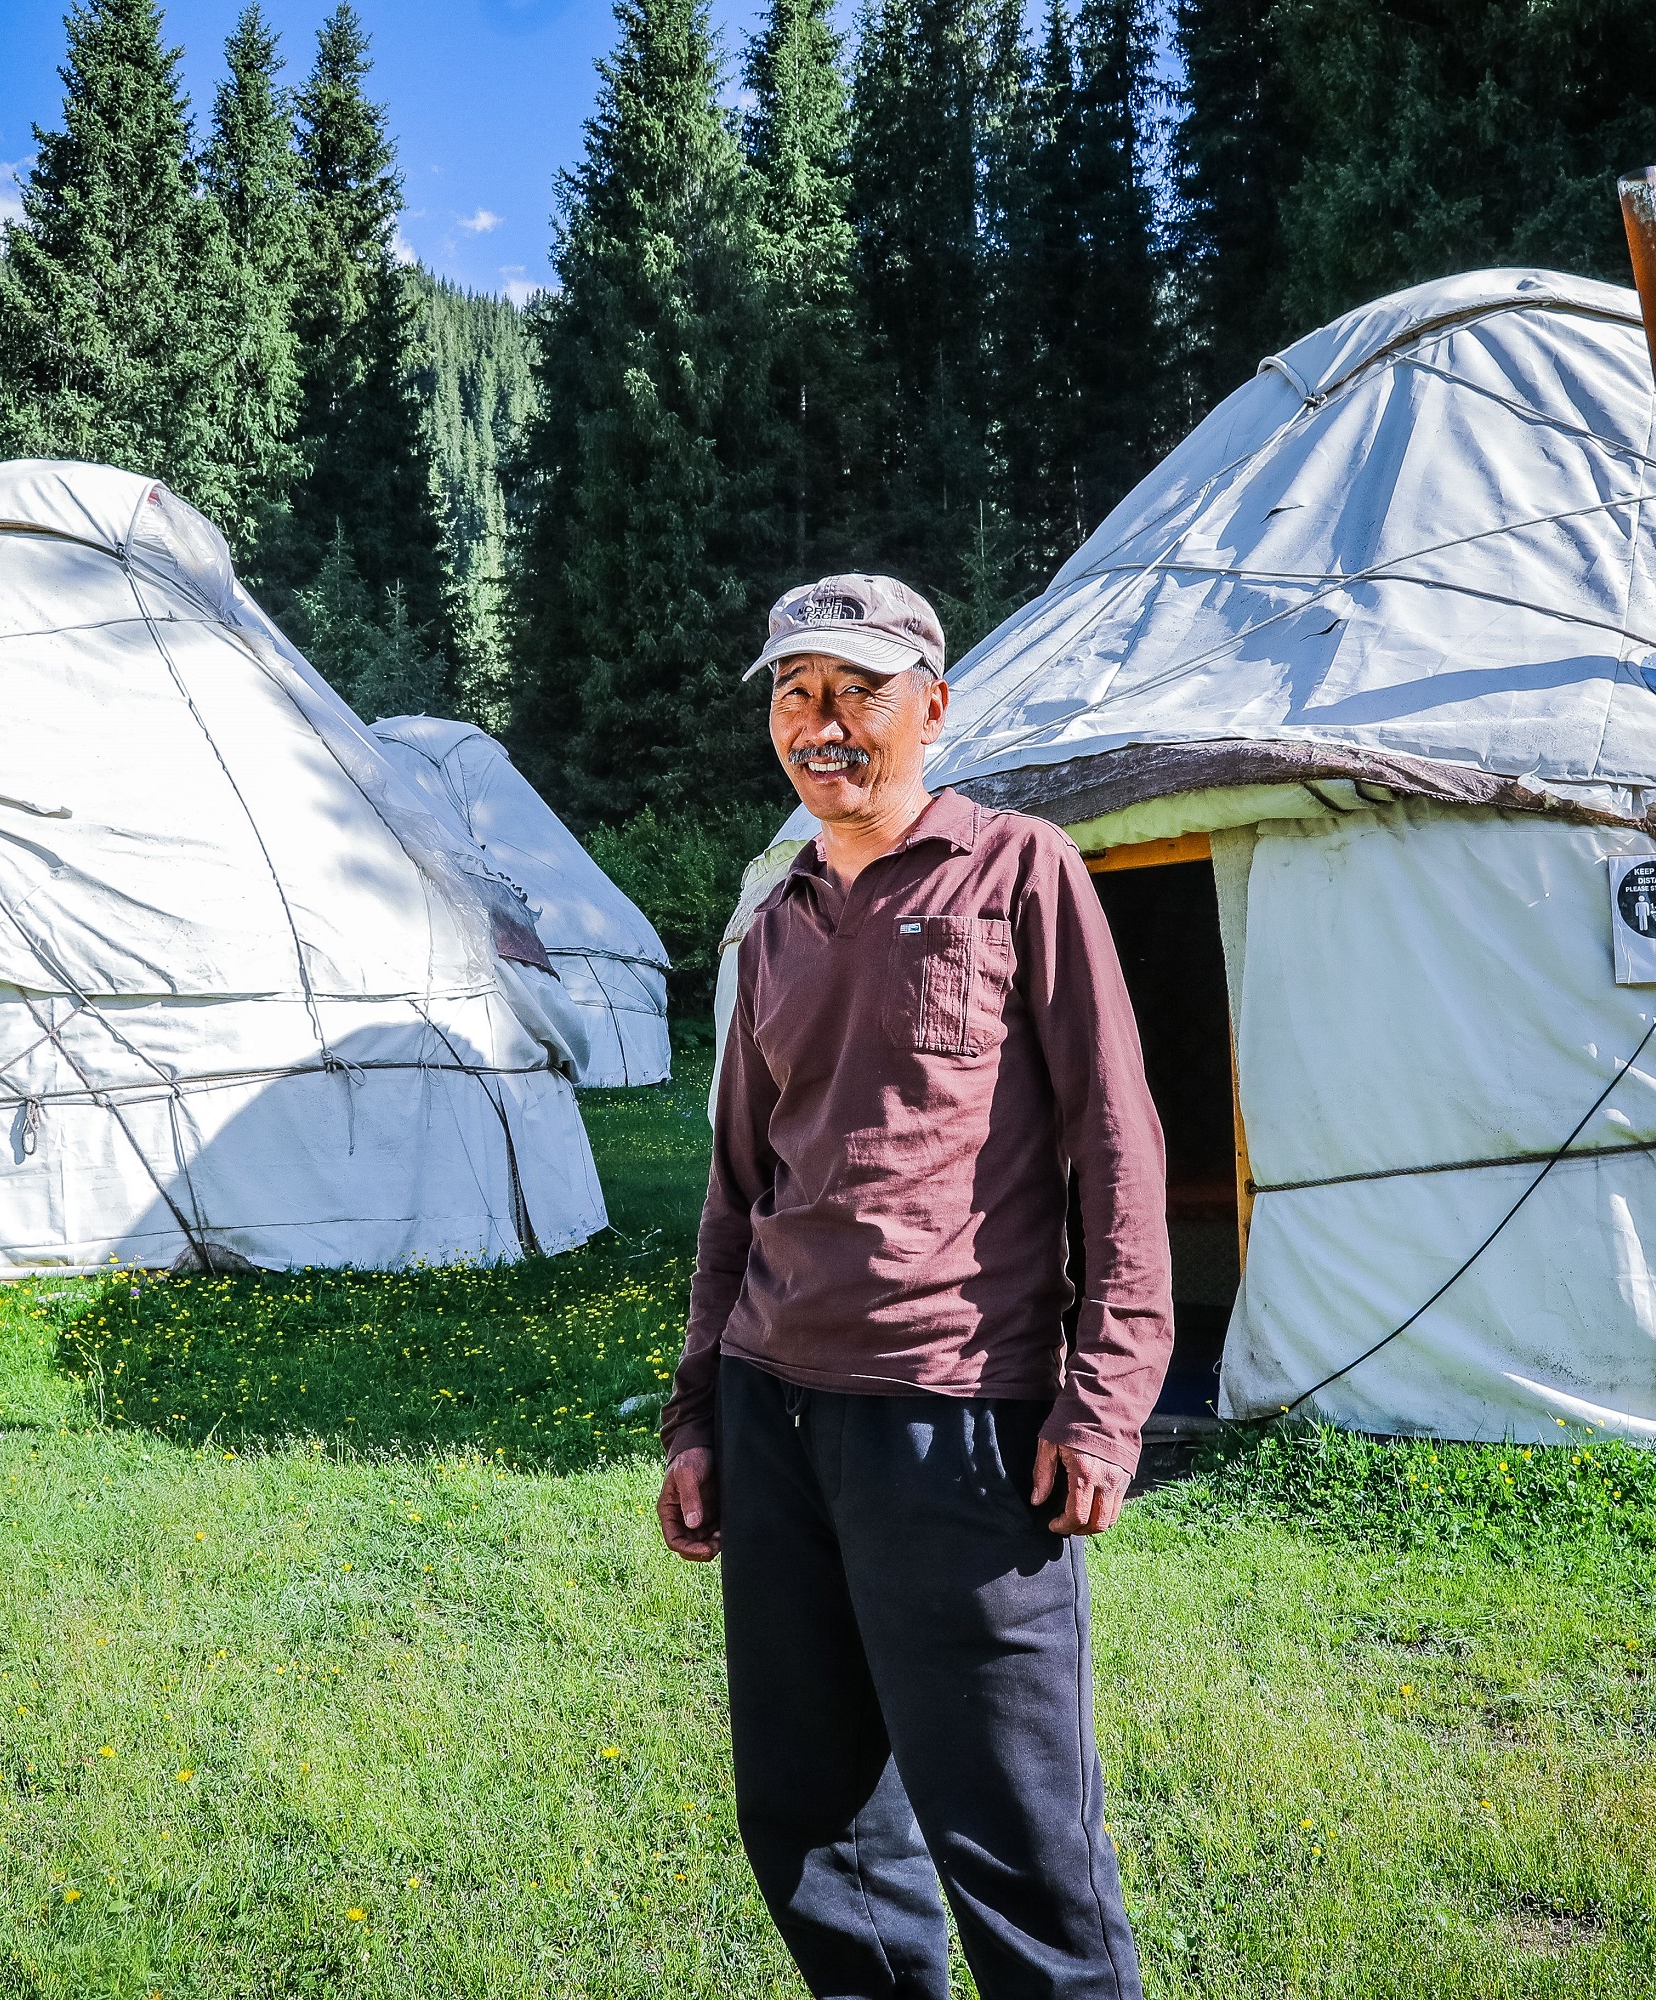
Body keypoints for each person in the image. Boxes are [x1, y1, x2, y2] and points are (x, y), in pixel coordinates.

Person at [656, 573, 1173, 2000]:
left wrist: (1107, 1395)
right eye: (793, 693)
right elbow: (734, 1196)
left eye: (856, 692)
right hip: (777, 1419)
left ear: (932, 706)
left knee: (1017, 1844)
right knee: (813, 1828)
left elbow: (1116, 1142)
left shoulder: (1018, 873)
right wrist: (697, 1414)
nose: (821, 724)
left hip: (957, 1420)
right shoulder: (774, 925)